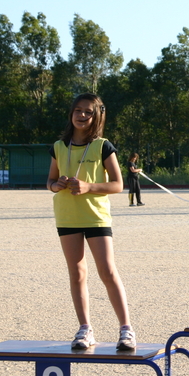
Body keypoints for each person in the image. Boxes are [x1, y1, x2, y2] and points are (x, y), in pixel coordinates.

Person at [46, 93, 136, 351]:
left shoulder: (103, 146)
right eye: (78, 110)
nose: (82, 115)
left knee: (107, 271)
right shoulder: (58, 146)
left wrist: (88, 187)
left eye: (88, 112)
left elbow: (118, 184)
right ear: (70, 113)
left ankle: (126, 329)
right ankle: (85, 329)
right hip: (67, 217)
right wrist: (57, 184)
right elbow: (49, 181)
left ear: (97, 116)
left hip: (95, 217)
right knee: (77, 273)